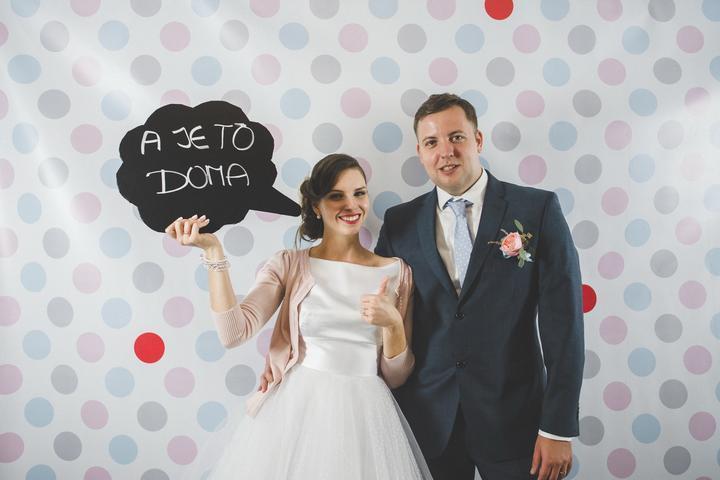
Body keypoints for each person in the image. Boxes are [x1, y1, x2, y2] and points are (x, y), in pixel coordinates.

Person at [166, 153, 432, 479]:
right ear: (316, 206)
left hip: (368, 416)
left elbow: (397, 376)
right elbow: (234, 332)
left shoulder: (397, 272)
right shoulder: (290, 265)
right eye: (336, 196)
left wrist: (391, 323)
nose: (352, 205)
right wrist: (213, 252)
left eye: (359, 193)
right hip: (298, 409)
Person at [374, 93, 584, 480]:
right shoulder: (399, 223)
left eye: (456, 137)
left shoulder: (536, 209)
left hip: (516, 420)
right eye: (432, 142)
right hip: (428, 423)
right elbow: (377, 317)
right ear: (420, 152)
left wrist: (557, 427)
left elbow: (564, 325)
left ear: (478, 140)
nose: (446, 152)